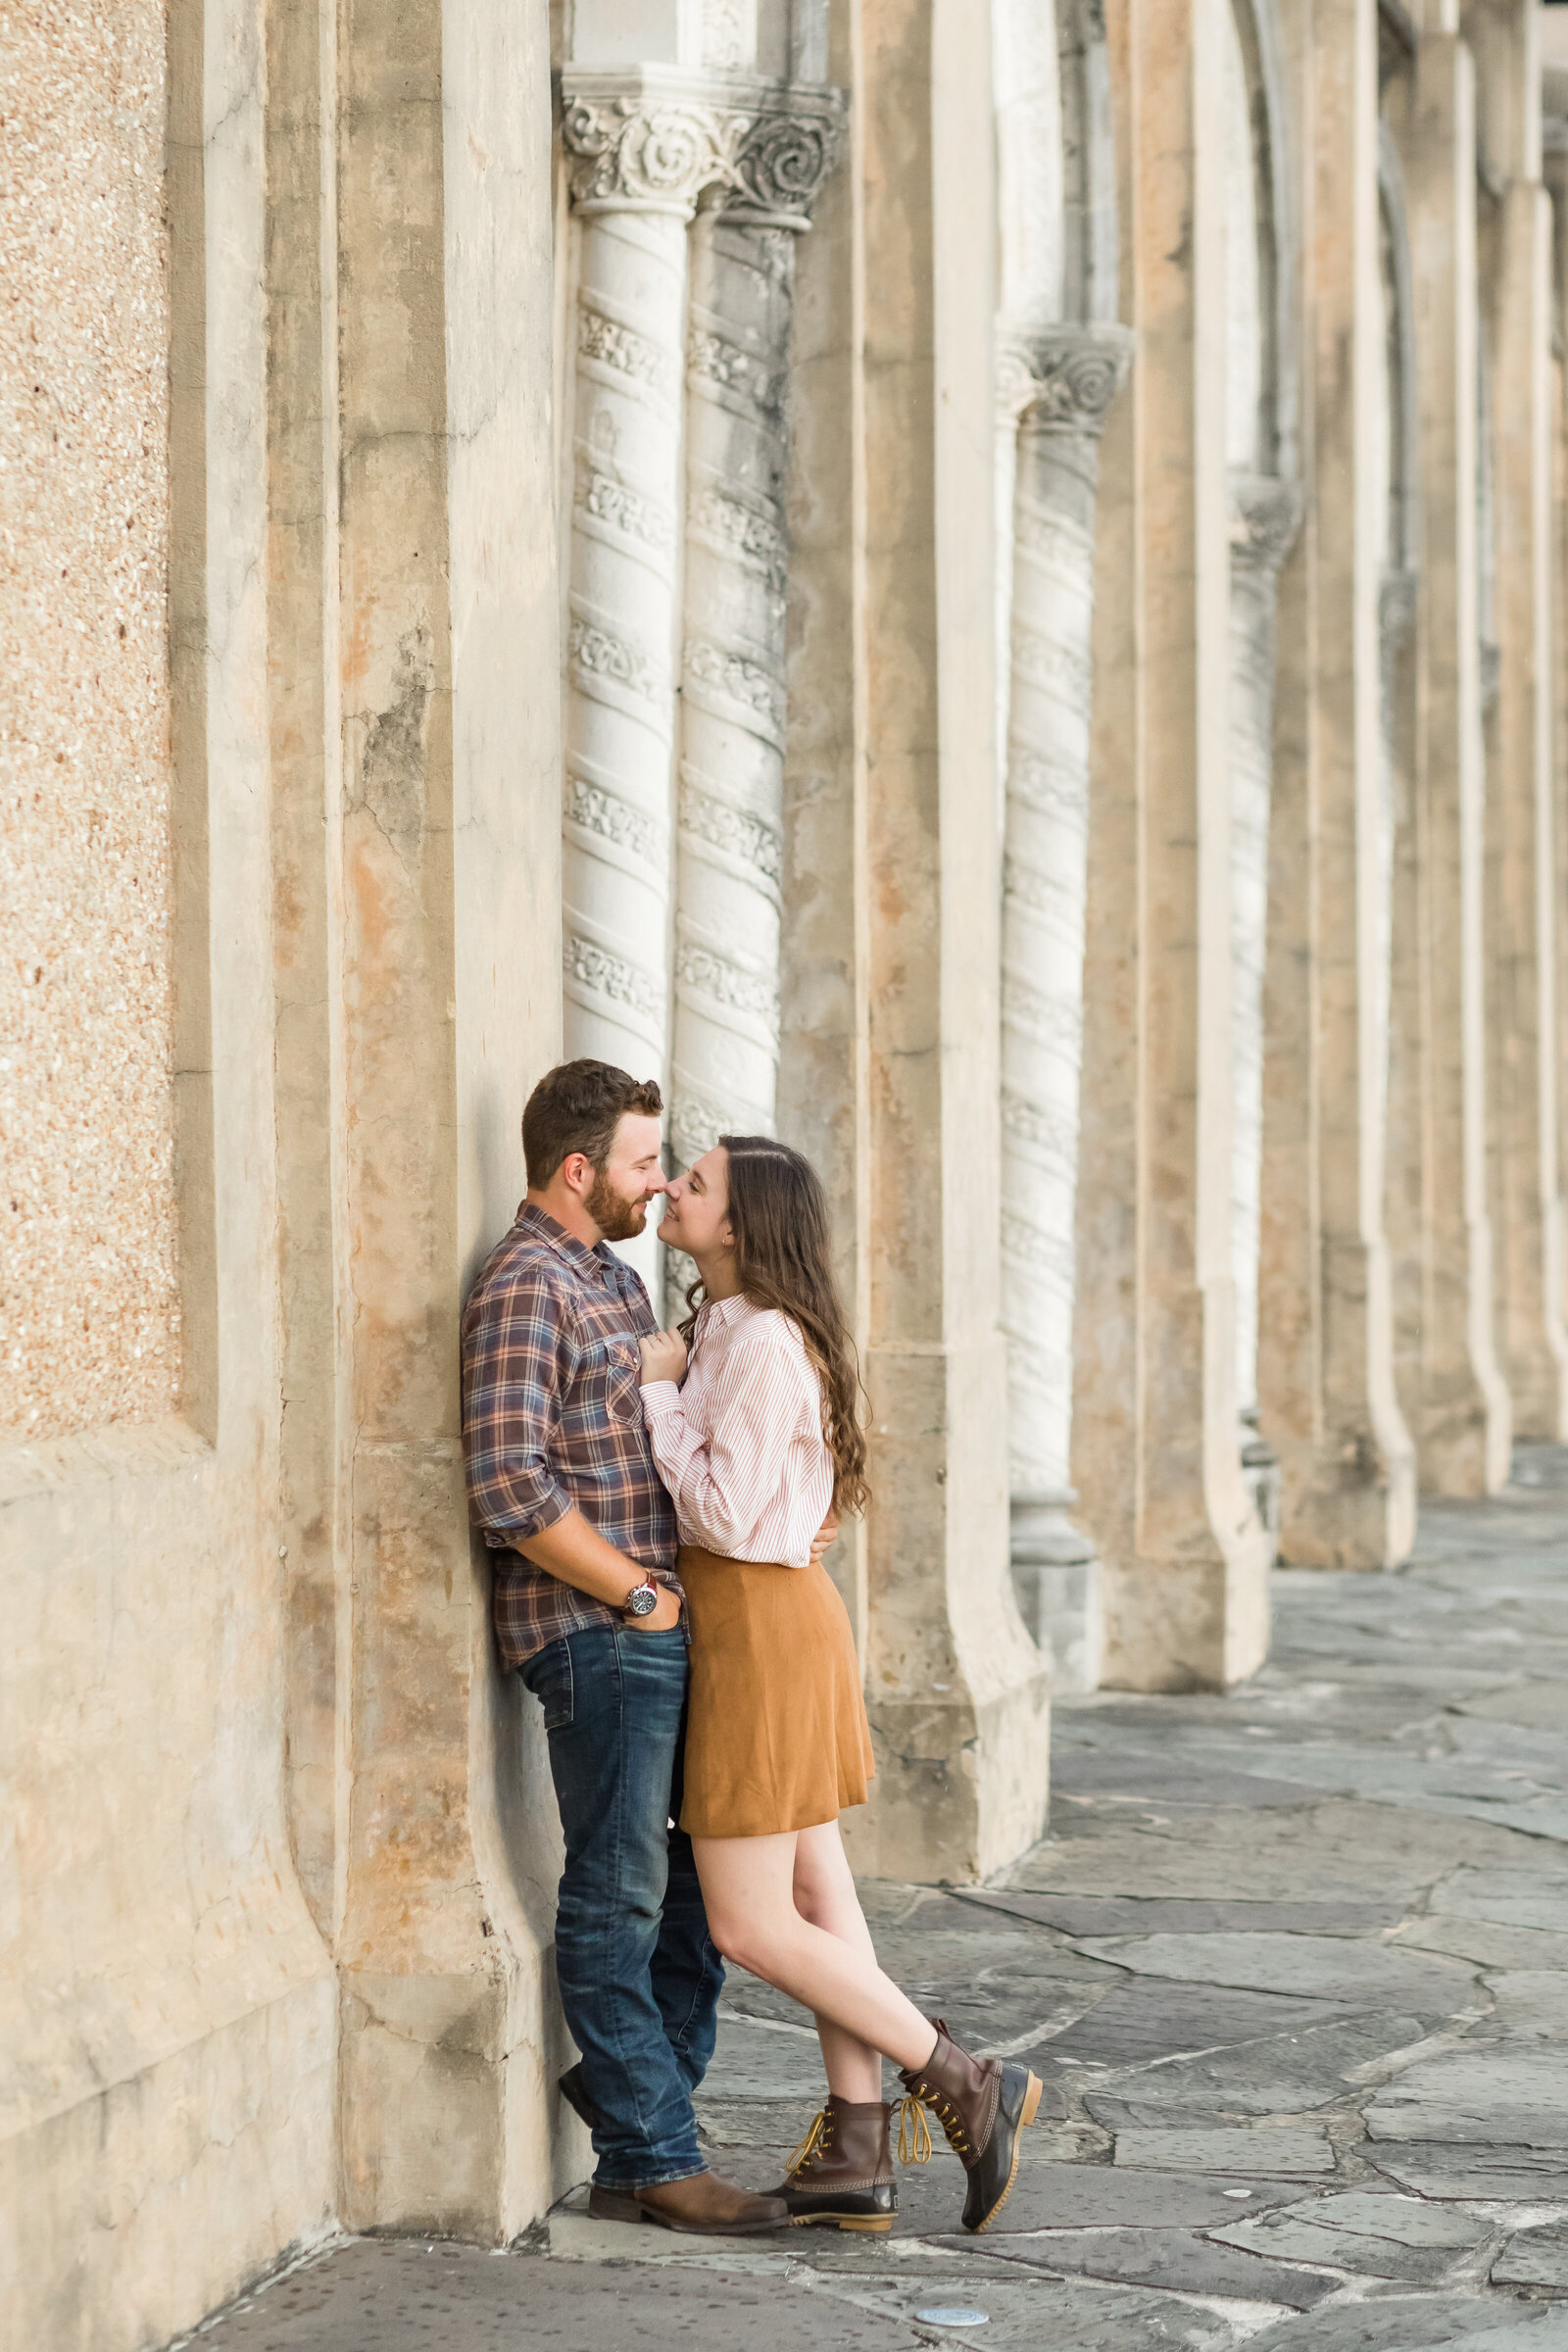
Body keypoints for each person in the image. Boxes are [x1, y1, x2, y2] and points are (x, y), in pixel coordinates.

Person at [638, 1136, 1044, 2236]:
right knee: (820, 1896)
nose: (674, 1187)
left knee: (749, 1926)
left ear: (740, 1225)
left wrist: (657, 1400)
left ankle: (963, 2080)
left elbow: (722, 1513)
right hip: (760, 1622)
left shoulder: (762, 1341)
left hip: (761, 1632)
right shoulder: (722, 1326)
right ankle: (855, 2152)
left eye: (697, 1182)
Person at [460, 1059, 791, 2235]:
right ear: (579, 1168)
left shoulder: (610, 1276)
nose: (659, 1187)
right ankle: (653, 2155)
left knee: (701, 1894)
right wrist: (639, 1599)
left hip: (664, 1630)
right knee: (620, 1894)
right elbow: (507, 1482)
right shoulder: (524, 1285)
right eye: (647, 1164)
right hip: (597, 1635)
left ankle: (627, 2101)